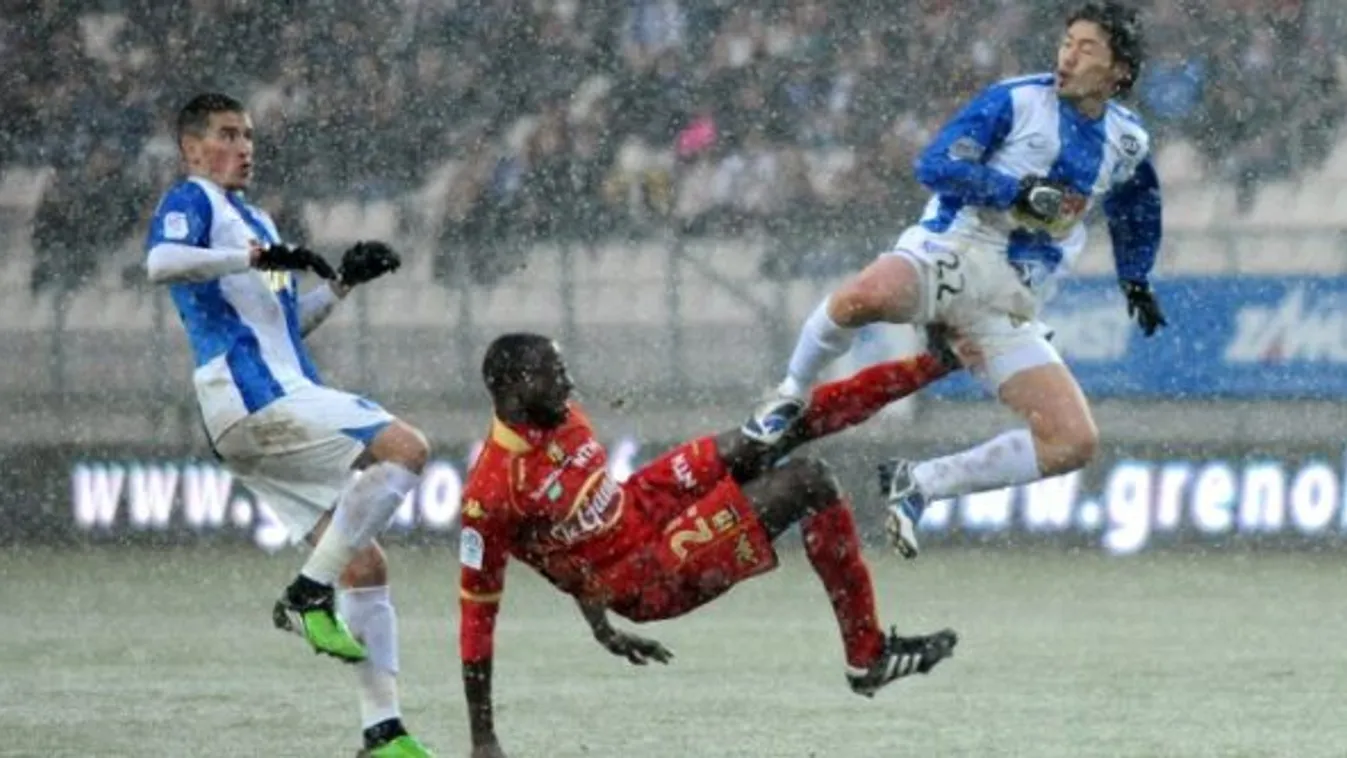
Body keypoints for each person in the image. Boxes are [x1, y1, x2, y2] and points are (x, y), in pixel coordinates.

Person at [741, 1, 1167, 559]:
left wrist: (1135, 278)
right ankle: (790, 394)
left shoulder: (1127, 139)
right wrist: (1011, 192)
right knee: (865, 298)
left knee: (1073, 441)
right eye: (1067, 42)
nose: (1068, 56)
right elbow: (936, 165)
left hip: (1010, 299)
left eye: (1087, 49)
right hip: (955, 249)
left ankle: (923, 483)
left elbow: (1139, 202)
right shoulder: (1016, 101)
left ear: (1120, 72)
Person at [459, 332, 963, 758]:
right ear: (516, 387)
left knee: (778, 425)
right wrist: (483, 740)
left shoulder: (557, 412)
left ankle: (939, 361)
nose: (569, 384)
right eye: (555, 373)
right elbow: (477, 618)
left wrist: (600, 628)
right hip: (643, 575)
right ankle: (867, 654)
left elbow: (568, 539)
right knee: (809, 480)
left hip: (642, 502)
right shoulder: (491, 496)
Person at [143, 92, 434, 758]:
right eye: (226, 134)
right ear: (192, 148)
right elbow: (159, 263)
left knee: (363, 560)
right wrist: (251, 258)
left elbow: (281, 327)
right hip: (250, 396)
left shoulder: (256, 219)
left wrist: (341, 287)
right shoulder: (192, 200)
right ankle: (306, 594)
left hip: (272, 399)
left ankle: (381, 732)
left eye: (247, 135)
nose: (243, 147)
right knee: (407, 448)